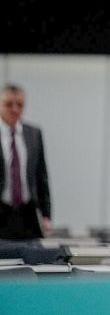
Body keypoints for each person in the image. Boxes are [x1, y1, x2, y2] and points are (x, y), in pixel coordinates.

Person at [0, 84, 52, 240]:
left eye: (20, 105)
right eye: (9, 104)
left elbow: (41, 176)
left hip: (27, 212)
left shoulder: (34, 134)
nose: (15, 109)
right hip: (2, 209)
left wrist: (46, 215)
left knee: (33, 251)